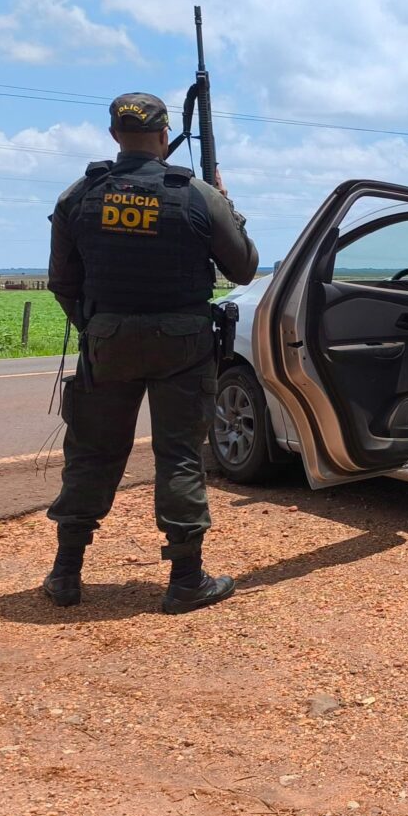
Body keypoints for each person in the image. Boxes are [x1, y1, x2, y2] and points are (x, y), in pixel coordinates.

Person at [44, 92, 259, 614]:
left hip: (108, 338)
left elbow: (62, 281)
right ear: (164, 138)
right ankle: (186, 579)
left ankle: (66, 573)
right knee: (180, 454)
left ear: (116, 136)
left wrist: (100, 328)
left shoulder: (81, 194)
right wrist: (228, 203)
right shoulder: (197, 195)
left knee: (92, 451)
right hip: (183, 343)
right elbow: (244, 270)